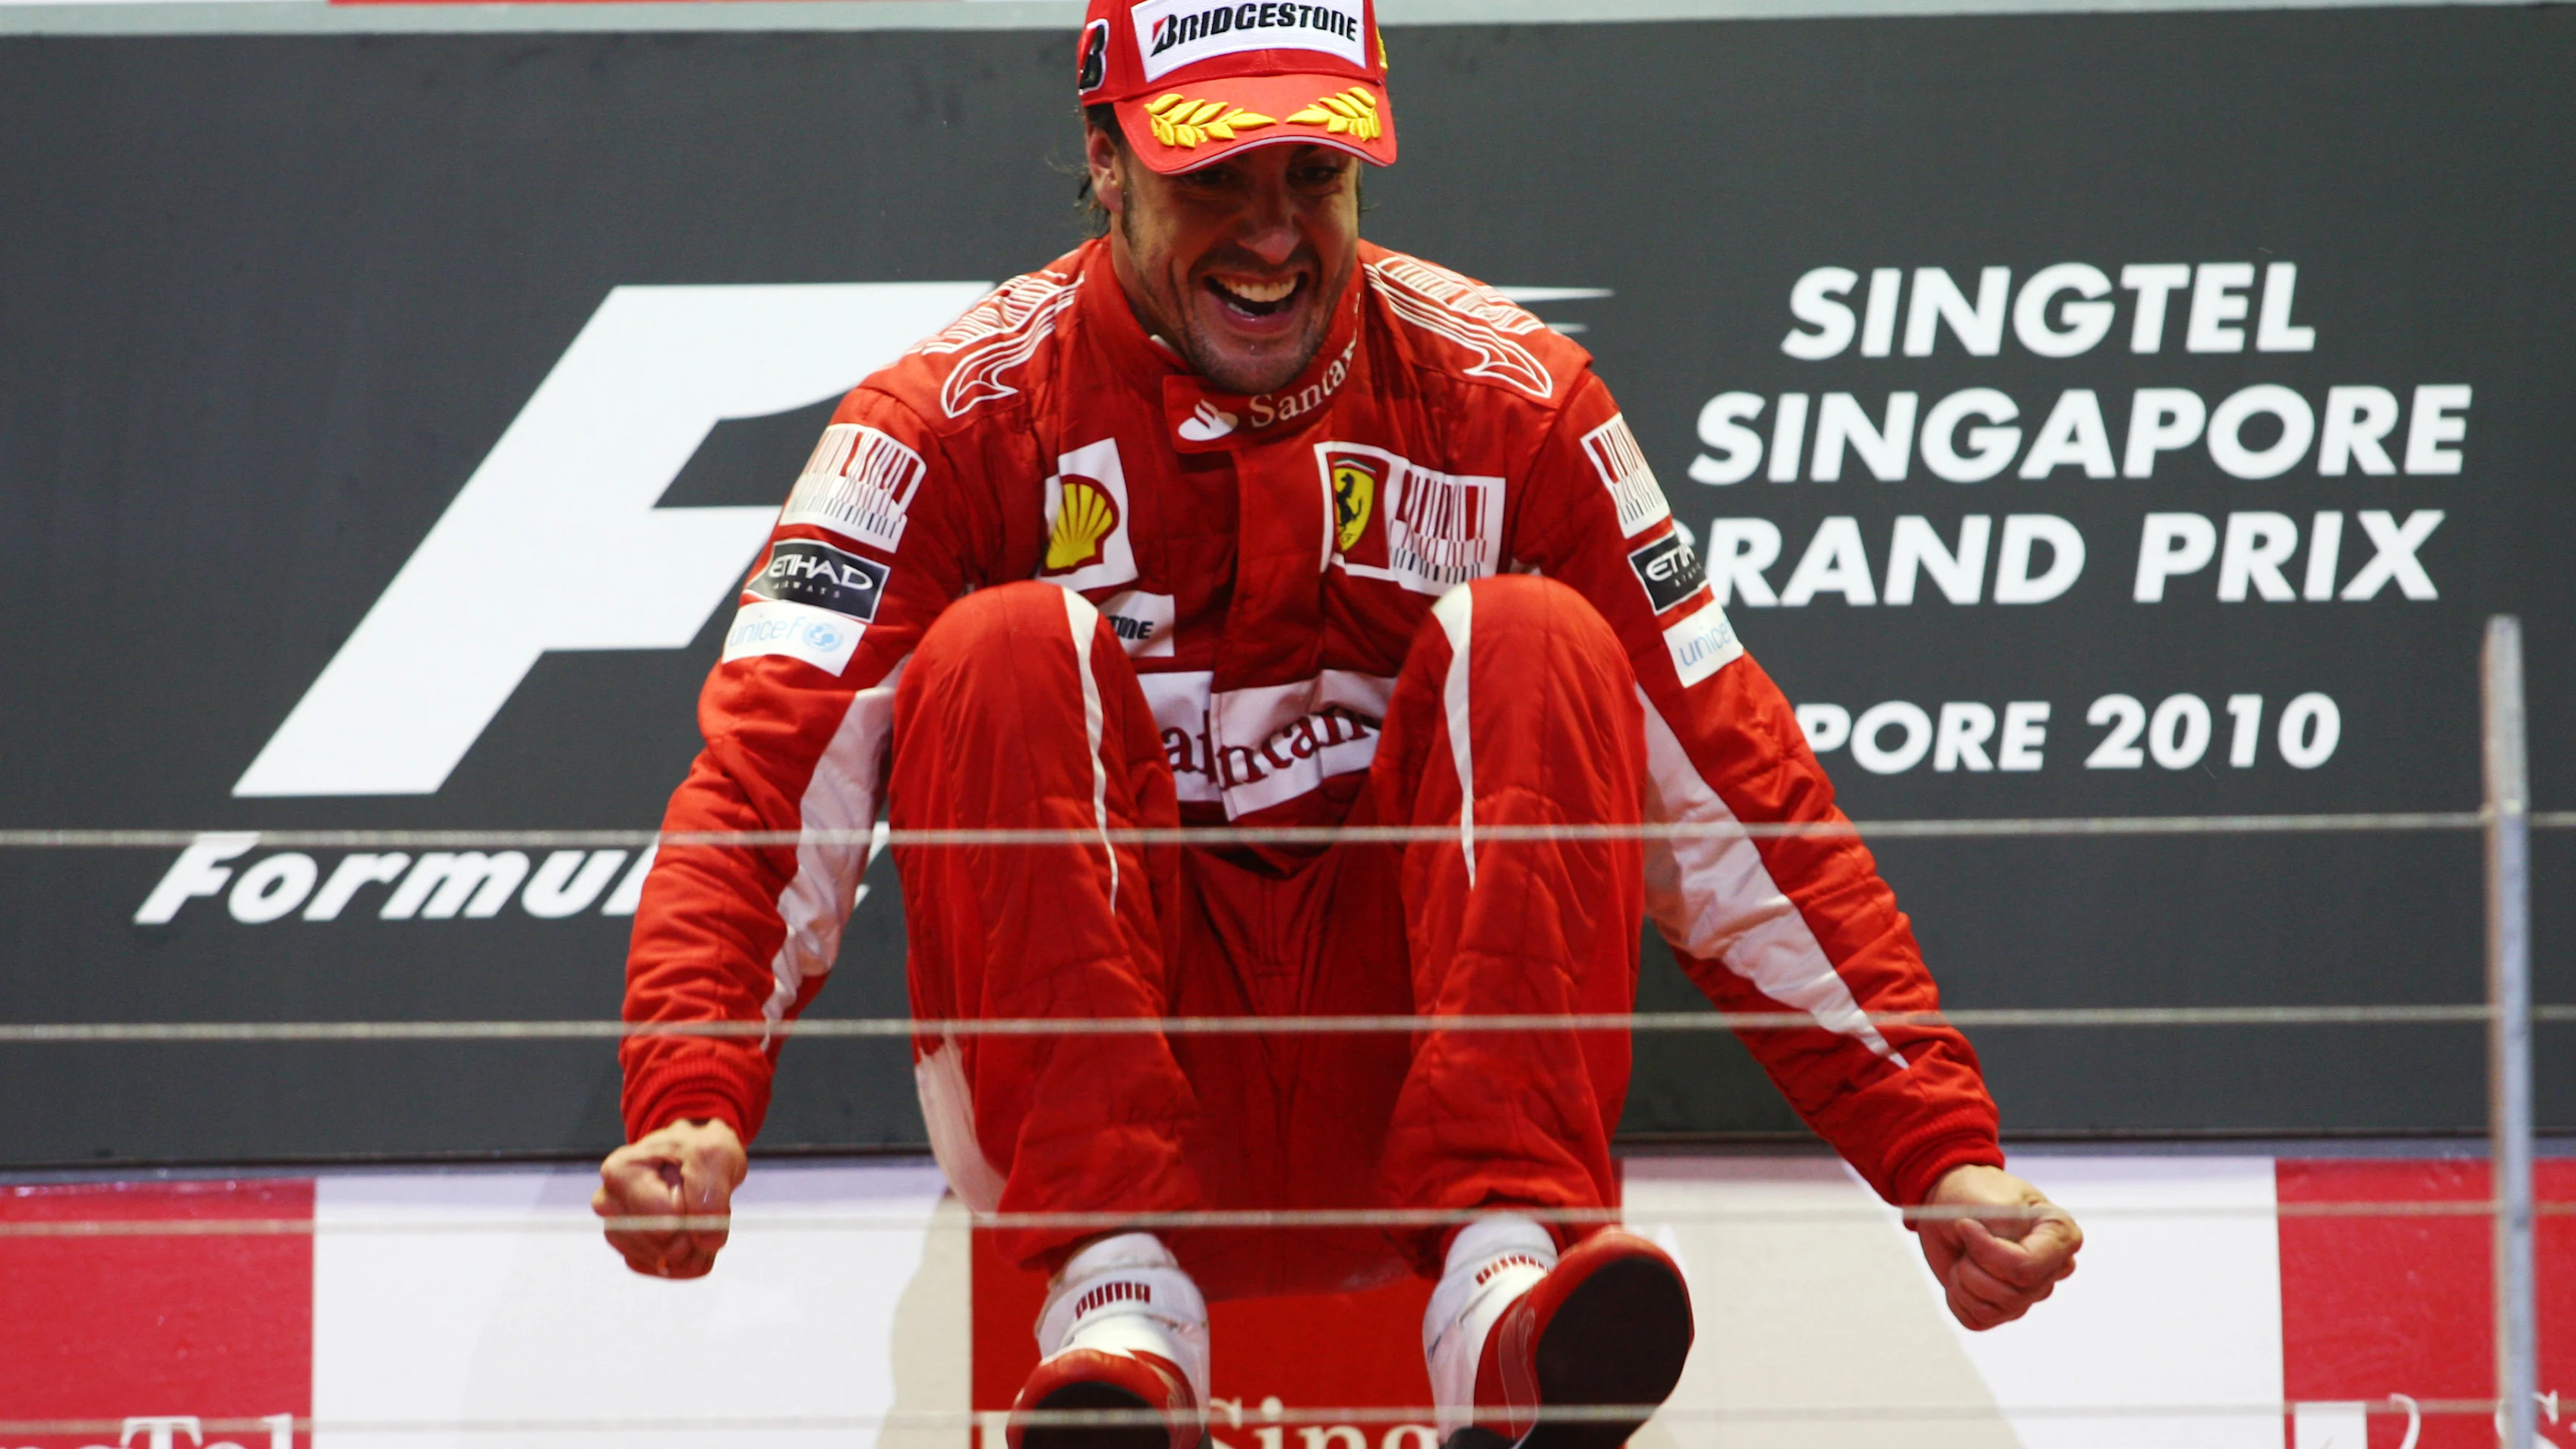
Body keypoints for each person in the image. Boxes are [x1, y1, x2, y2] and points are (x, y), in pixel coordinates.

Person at [595, 0, 2083, 1442]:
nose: (1271, 234)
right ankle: (1120, 1311)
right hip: (1089, 1100)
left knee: (1539, 637)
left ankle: (1499, 1295)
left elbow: (1739, 787)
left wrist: (1937, 1151)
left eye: (1313, 174)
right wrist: (691, 1095)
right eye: (1213, 177)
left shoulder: (1519, 401)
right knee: (1001, 646)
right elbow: (766, 786)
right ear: (1106, 161)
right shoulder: (943, 422)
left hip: (1412, 1096)